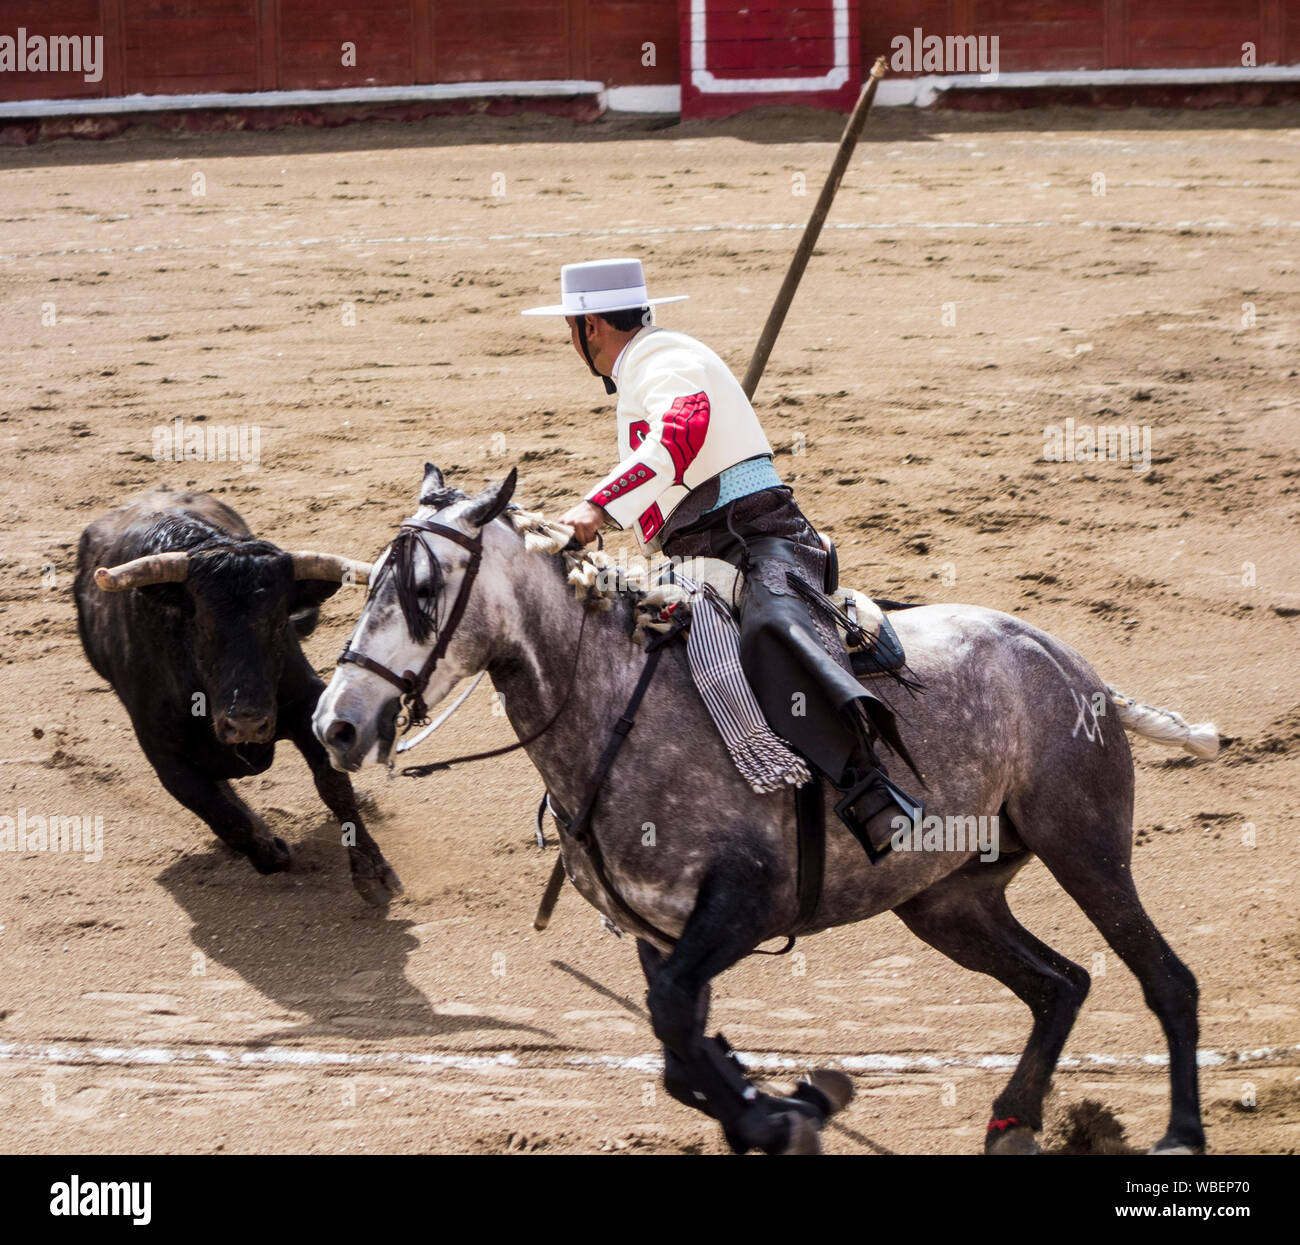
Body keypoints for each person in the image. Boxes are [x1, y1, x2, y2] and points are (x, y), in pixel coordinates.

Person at [522, 258, 920, 860]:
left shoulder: (664, 359)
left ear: (590, 327)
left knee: (773, 632)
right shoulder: (649, 365)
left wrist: (595, 508)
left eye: (573, 330)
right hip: (695, 553)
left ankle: (871, 790)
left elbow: (681, 431)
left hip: (756, 536)